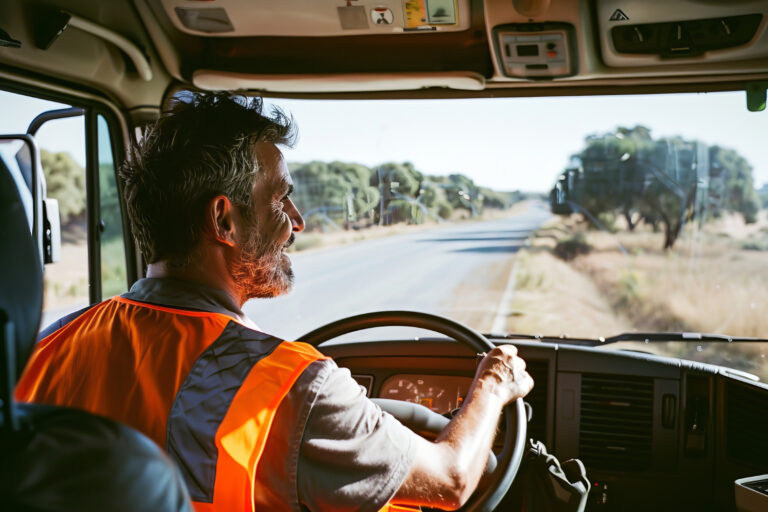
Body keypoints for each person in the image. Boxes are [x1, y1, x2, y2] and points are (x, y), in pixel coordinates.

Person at [15, 92, 534, 511]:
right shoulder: (292, 386)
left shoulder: (46, 345)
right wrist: (493, 384)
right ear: (224, 221)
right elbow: (451, 479)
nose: (298, 220)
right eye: (280, 199)